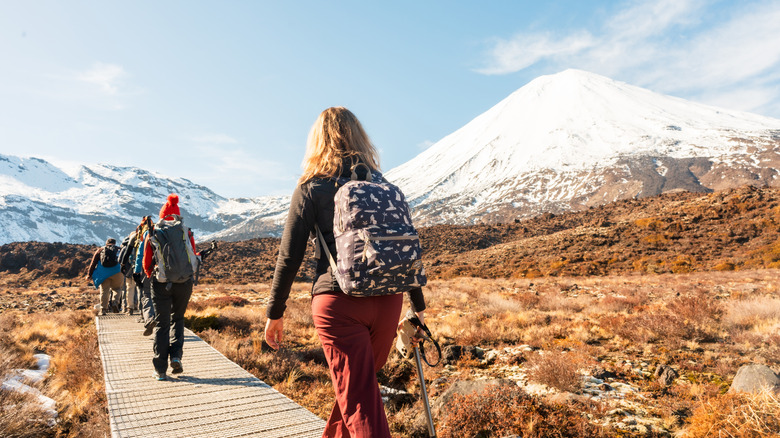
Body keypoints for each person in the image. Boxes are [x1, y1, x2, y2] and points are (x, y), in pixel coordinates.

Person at [264, 107, 427, 438]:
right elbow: (405, 248)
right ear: (361, 137)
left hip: (338, 304)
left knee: (359, 402)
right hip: (389, 302)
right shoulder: (385, 188)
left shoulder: (312, 187)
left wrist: (274, 312)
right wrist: (418, 306)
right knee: (358, 389)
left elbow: (289, 255)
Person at [143, 194, 199, 380]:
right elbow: (193, 256)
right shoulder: (185, 232)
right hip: (184, 283)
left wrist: (154, 274)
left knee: (162, 324)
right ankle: (176, 356)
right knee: (178, 319)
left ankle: (160, 369)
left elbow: (146, 263)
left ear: (162, 214)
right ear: (177, 214)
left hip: (161, 284)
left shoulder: (154, 232)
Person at [86, 238, 124, 315]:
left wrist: (89, 275)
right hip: (117, 272)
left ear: (106, 243)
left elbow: (93, 263)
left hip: (104, 274)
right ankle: (115, 302)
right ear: (115, 243)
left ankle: (103, 309)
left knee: (104, 290)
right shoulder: (119, 249)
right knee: (117, 289)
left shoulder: (100, 250)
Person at [133, 216, 156, 335]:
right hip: (164, 271)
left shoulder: (147, 234)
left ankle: (149, 319)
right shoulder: (163, 232)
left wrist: (137, 271)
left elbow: (140, 255)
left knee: (147, 295)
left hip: (149, 270)